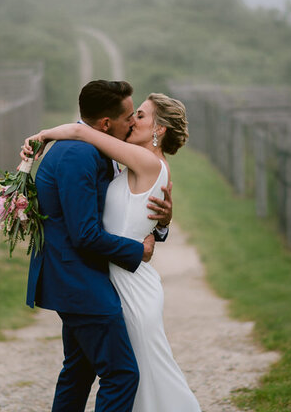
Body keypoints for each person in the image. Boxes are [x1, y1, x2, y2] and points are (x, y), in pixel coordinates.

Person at [25, 89, 200, 412]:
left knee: (133, 373)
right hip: (107, 276)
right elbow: (125, 215)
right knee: (98, 371)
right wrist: (153, 232)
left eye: (141, 115)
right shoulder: (125, 163)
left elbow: (80, 130)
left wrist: (44, 135)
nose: (133, 120)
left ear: (159, 130)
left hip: (127, 283)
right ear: (107, 122)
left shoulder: (144, 161)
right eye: (131, 115)